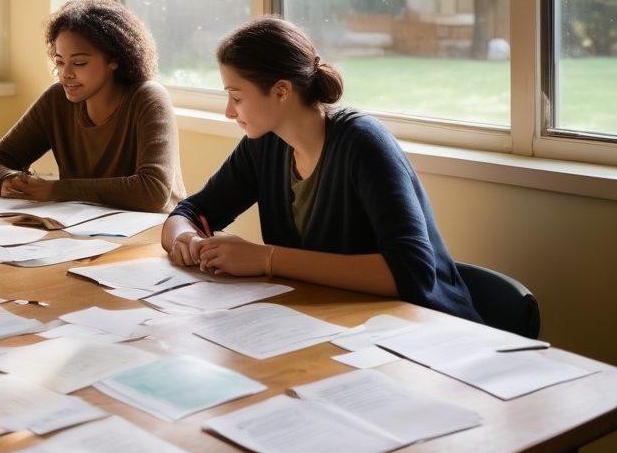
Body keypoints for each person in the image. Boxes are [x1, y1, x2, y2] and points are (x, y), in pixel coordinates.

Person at [162, 16, 480, 322]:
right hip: (338, 323)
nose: (230, 112)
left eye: (237, 97)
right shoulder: (263, 145)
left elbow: (412, 273)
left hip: (425, 330)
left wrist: (266, 259)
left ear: (282, 91)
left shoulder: (363, 143)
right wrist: (184, 240)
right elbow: (190, 211)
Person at [0, 0, 184, 211]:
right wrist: (9, 180)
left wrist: (57, 190)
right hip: (83, 230)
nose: (66, 74)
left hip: (156, 234)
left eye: (79, 63)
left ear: (114, 59)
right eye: (59, 62)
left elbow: (153, 191)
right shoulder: (56, 100)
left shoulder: (148, 98)